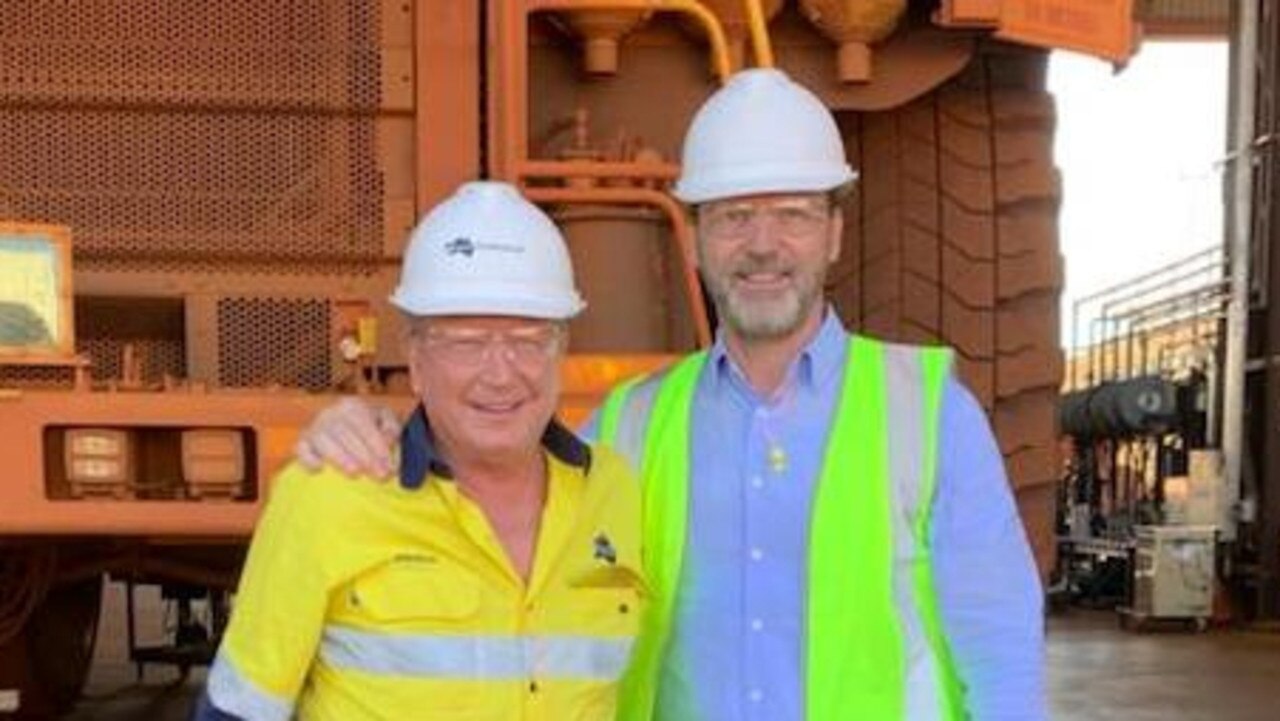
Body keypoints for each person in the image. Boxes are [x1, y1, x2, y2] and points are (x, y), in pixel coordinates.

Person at [296, 69, 1046, 720]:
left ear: (835, 234)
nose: (762, 246)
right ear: (692, 241)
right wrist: (372, 430)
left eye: (792, 215)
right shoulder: (632, 420)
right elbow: (487, 495)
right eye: (733, 217)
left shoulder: (926, 409)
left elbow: (1000, 643)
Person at [196, 181, 646, 721]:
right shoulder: (329, 497)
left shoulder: (616, 491)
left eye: (528, 339)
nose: (500, 374)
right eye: (466, 343)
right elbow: (238, 712)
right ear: (414, 357)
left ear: (560, 352)